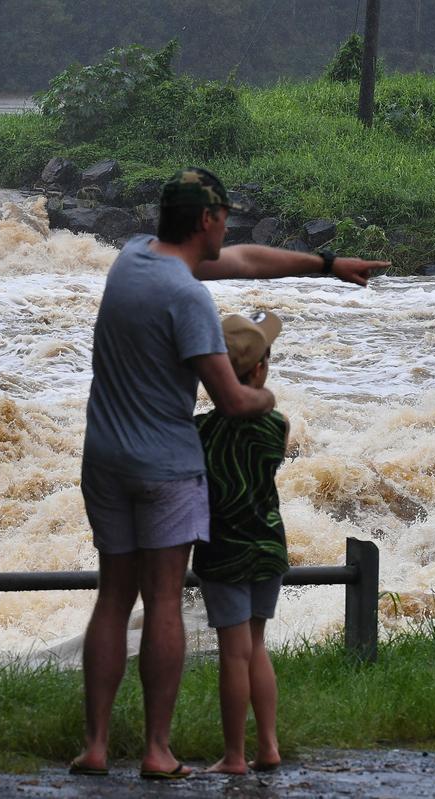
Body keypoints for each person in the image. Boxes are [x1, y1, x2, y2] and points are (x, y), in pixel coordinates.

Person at [69, 167, 386, 780]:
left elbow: (246, 261)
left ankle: (96, 746)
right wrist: (273, 400)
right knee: (162, 598)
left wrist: (325, 264)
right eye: (225, 218)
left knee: (113, 598)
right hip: (164, 466)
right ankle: (159, 751)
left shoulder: (132, 259)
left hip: (104, 457)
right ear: (207, 221)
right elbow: (234, 400)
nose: (229, 229)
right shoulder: (188, 298)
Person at [194, 311, 289, 775]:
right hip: (268, 544)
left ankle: (234, 756)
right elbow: (266, 416)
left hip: (223, 548)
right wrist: (264, 397)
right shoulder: (277, 427)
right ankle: (268, 746)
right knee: (257, 645)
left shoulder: (201, 432)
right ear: (260, 369)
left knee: (234, 652)